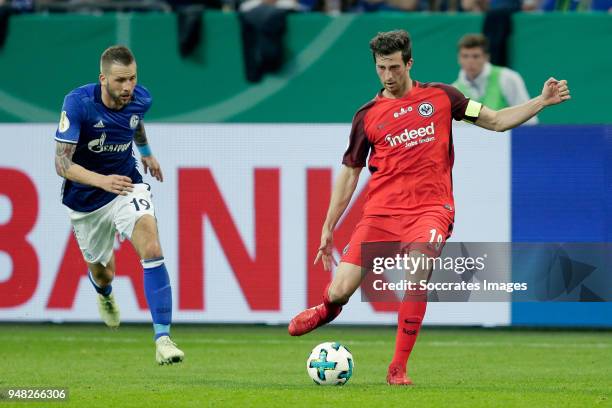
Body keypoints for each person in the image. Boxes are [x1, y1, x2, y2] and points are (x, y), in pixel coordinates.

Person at [288, 30, 570, 385]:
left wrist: (540, 102)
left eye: (394, 67)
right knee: (341, 288)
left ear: (409, 63)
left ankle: (397, 368)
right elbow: (350, 173)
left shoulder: (441, 97)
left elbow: (496, 121)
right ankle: (327, 307)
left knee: (417, 271)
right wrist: (329, 225)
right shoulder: (368, 116)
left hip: (431, 210)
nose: (388, 76)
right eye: (381, 68)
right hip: (381, 214)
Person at [54, 45, 184, 365]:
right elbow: (61, 164)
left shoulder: (140, 98)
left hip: (126, 185)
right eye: (120, 80)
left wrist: (146, 151)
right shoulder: (78, 104)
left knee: (151, 247)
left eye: (132, 78)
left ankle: (163, 338)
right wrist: (102, 180)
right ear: (103, 79)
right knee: (104, 273)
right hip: (86, 200)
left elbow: (134, 122)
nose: (128, 87)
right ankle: (105, 294)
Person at [453, 33, 538, 124]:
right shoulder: (454, 90)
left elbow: (528, 118)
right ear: (458, 58)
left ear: (486, 57)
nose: (470, 61)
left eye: (476, 56)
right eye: (465, 56)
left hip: (507, 136)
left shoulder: (507, 78)